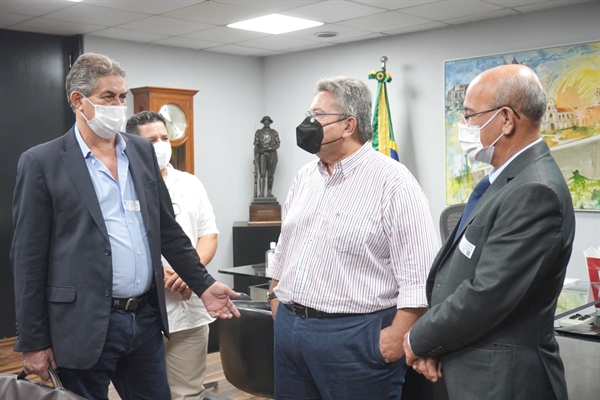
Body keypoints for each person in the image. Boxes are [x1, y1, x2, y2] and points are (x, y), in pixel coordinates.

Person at [10, 53, 239, 400]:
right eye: (108, 97)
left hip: (143, 319)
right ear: (78, 101)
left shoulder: (140, 152)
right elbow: (28, 258)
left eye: (122, 97)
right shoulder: (42, 162)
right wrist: (34, 341)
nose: (119, 105)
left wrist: (204, 285)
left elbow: (167, 230)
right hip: (82, 324)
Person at [404, 64, 575, 400]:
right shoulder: (506, 180)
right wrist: (437, 342)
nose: (463, 127)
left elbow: (487, 295)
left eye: (469, 116)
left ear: (507, 119)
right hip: (468, 365)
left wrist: (417, 339)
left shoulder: (535, 190)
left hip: (504, 381)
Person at [267, 76, 439, 400]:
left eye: (318, 115)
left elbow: (421, 275)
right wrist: (275, 298)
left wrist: (394, 340)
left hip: (355, 339)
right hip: (290, 330)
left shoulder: (393, 182)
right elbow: (287, 243)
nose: (308, 123)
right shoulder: (305, 177)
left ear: (348, 125)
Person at [126, 111, 219, 400]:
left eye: (164, 138)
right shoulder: (124, 185)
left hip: (188, 304)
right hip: (146, 309)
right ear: (132, 144)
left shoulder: (191, 184)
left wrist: (190, 271)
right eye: (151, 139)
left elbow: (209, 235)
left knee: (187, 392)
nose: (161, 144)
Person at [253, 116, 280, 197]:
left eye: (268, 121)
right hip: (262, 155)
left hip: (272, 155)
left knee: (271, 175)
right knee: (262, 175)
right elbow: (256, 145)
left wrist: (269, 148)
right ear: (263, 122)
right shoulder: (259, 132)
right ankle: (261, 193)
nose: (267, 122)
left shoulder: (274, 132)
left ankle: (269, 192)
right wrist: (256, 156)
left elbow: (277, 144)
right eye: (265, 121)